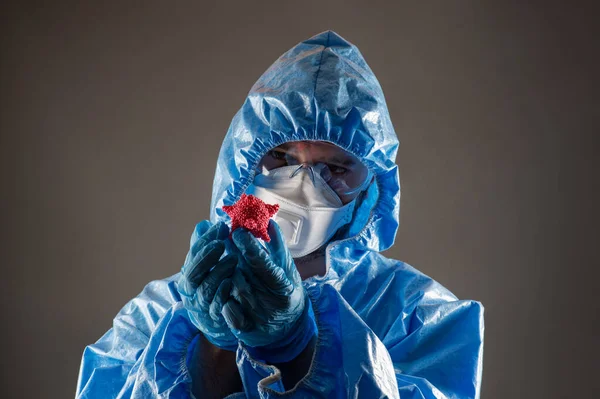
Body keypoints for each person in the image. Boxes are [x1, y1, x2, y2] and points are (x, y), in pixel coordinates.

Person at [76, 30, 484, 399]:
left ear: (372, 187)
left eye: (335, 169)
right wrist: (208, 347)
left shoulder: (418, 317)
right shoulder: (156, 315)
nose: (301, 185)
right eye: (280, 157)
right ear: (241, 163)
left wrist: (302, 348)